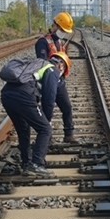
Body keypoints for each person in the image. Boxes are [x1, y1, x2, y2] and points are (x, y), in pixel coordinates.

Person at [1, 52, 72, 176]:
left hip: (7, 95)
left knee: (23, 129)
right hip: (24, 96)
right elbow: (49, 98)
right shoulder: (52, 70)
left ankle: (26, 163)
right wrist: (47, 119)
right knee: (45, 129)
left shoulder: (38, 64)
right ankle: (36, 164)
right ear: (62, 66)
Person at [35, 11, 78, 144]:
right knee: (48, 110)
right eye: (62, 29)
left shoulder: (59, 41)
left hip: (59, 81)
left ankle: (69, 135)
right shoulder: (42, 42)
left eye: (65, 30)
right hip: (48, 82)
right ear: (55, 26)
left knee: (67, 107)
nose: (63, 32)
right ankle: (47, 137)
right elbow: (41, 63)